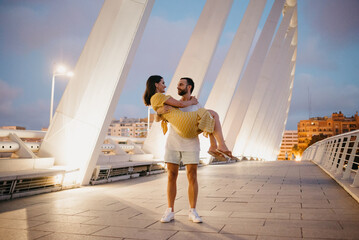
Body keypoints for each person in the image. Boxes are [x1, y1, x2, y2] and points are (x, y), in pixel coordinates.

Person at [143, 75, 235, 160]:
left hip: (186, 132)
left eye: (181, 85)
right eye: (163, 83)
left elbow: (165, 114)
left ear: (189, 87)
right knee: (213, 114)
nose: (165, 86)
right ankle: (219, 146)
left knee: (210, 117)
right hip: (183, 127)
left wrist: (159, 112)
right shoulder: (158, 96)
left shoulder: (158, 99)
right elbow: (180, 104)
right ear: (156, 84)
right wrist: (192, 102)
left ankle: (214, 146)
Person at [156, 77, 205, 223]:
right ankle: (170, 210)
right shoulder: (173, 103)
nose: (178, 86)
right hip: (173, 143)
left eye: (181, 84)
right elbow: (157, 119)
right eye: (178, 84)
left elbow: (203, 122)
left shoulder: (197, 105)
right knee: (171, 175)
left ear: (189, 87)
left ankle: (193, 211)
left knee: (192, 176)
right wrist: (159, 111)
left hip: (191, 144)